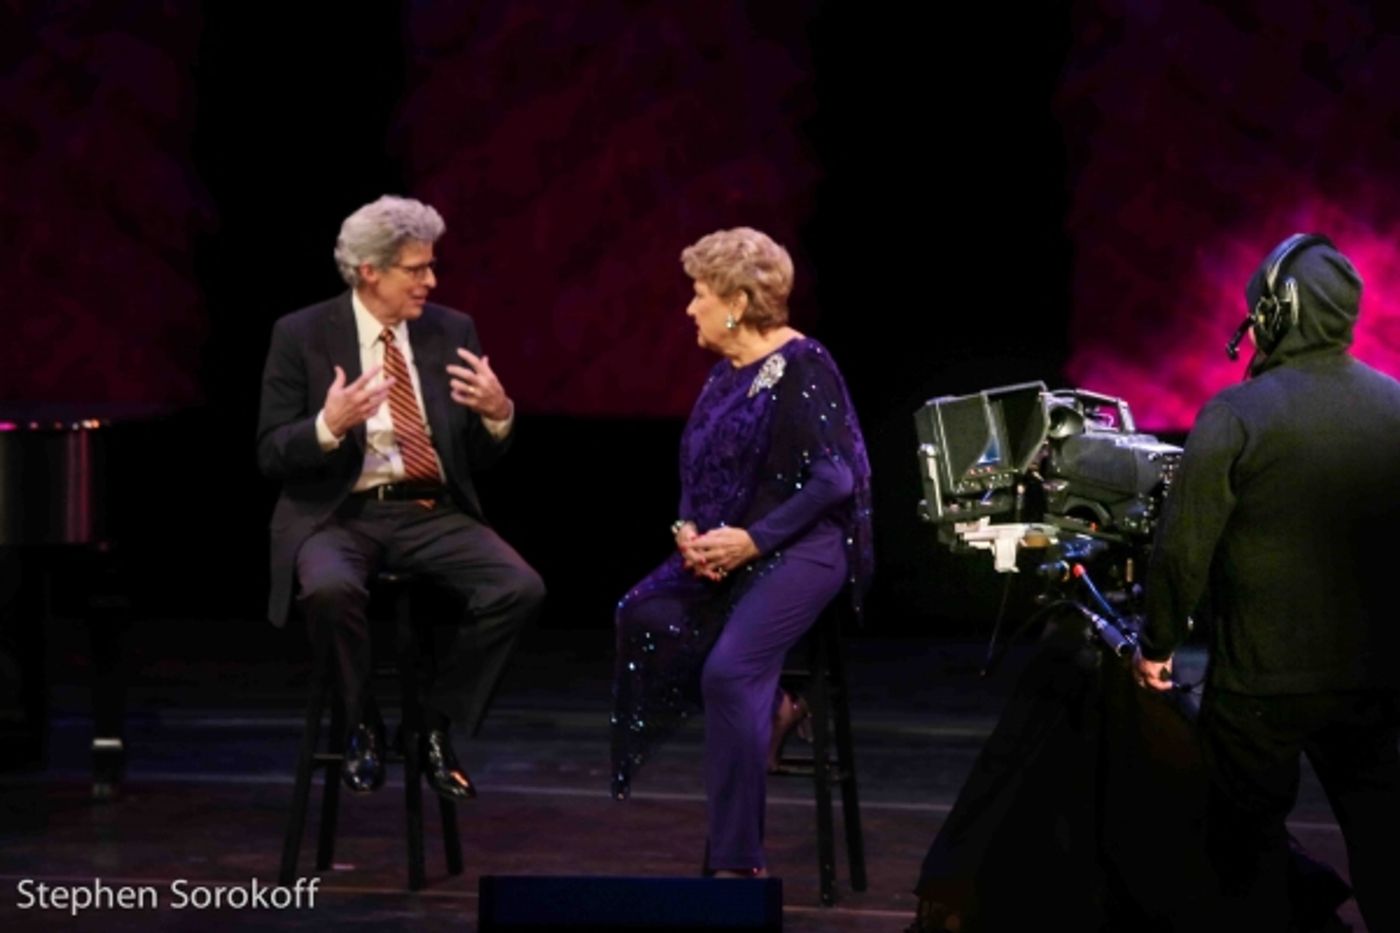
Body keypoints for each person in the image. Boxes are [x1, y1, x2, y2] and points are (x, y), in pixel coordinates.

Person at [1134, 233, 1400, 931]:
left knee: (1244, 861)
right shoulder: (1396, 405)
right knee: (1386, 843)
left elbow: (1182, 549)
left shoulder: (1235, 413)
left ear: (1280, 312)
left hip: (1259, 687)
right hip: (1373, 680)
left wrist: (1156, 645)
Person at [257, 195, 545, 801]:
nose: (430, 281)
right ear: (370, 271)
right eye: (416, 269)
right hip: (338, 515)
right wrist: (328, 425)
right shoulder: (301, 334)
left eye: (431, 266)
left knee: (518, 588)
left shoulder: (451, 329)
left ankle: (432, 727)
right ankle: (360, 719)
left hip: (428, 509)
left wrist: (498, 414)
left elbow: (476, 455)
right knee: (330, 589)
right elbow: (271, 451)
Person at [610, 226, 873, 877]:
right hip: (735, 548)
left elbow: (835, 479)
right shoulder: (722, 377)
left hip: (806, 547)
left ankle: (738, 863)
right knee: (643, 614)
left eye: (698, 293)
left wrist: (753, 540)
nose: (688, 308)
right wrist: (688, 531)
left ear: (735, 301)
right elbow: (696, 469)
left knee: (727, 674)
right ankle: (775, 706)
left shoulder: (804, 364)